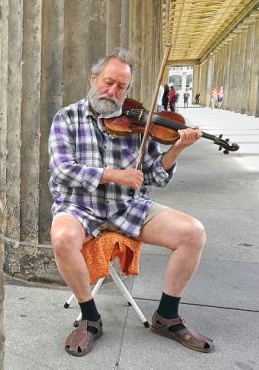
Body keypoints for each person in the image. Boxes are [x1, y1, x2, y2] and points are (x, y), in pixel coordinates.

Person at [48, 48, 213, 357]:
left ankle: (167, 317)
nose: (112, 92)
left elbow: (154, 176)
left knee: (193, 232)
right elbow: (62, 170)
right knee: (62, 237)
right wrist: (113, 175)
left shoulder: (139, 123)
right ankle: (90, 318)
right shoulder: (67, 118)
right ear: (93, 79)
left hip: (128, 206)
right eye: (108, 82)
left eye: (121, 87)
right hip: (79, 206)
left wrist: (176, 150)